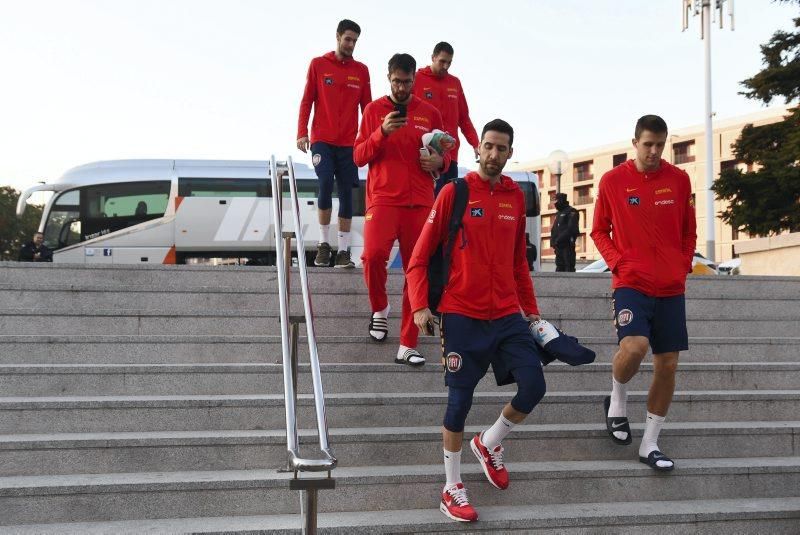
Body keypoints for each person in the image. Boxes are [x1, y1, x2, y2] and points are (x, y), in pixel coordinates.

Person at [407, 119, 546, 522]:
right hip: (462, 314)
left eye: (502, 148)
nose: (494, 154)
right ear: (477, 149)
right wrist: (420, 305)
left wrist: (530, 309)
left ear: (509, 152)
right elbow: (419, 256)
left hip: (506, 314)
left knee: (534, 385)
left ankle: (488, 443)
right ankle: (452, 487)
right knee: (458, 403)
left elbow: (520, 261)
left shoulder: (515, 199)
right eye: (488, 146)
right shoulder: (455, 192)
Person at [590, 114, 696, 472]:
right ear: (634, 143)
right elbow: (599, 231)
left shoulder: (679, 180)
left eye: (659, 145)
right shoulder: (612, 181)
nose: (653, 151)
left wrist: (682, 264)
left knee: (667, 365)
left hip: (670, 285)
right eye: (647, 144)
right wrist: (619, 263)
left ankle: (650, 443)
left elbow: (688, 231)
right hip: (631, 281)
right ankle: (617, 400)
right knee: (634, 347)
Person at [353, 53, 448, 366]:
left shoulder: (430, 112)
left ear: (414, 80)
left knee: (416, 271)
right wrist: (381, 132)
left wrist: (439, 161)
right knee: (371, 256)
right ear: (389, 78)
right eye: (396, 81)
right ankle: (380, 308)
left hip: (421, 202)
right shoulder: (373, 110)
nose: (402, 87)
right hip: (382, 199)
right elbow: (358, 157)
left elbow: (445, 154)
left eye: (407, 82)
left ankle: (408, 343)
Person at [297, 19, 371, 268]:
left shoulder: (361, 71)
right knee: (325, 181)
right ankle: (323, 244)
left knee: (348, 194)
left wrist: (369, 141)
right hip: (321, 140)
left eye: (355, 41)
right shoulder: (319, 64)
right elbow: (307, 100)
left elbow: (368, 109)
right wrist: (301, 132)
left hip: (350, 143)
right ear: (338, 37)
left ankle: (343, 251)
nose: (351, 45)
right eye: (348, 39)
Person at [413, 41, 480, 195]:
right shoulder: (417, 79)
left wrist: (476, 143)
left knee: (448, 207)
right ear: (433, 57)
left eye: (449, 63)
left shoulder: (455, 83)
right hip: (425, 155)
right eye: (442, 61)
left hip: (451, 157)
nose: (445, 66)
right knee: (429, 206)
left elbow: (464, 118)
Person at [551, 192, 579, 272]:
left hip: (567, 245)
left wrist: (559, 239)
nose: (555, 204)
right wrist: (553, 242)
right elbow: (555, 229)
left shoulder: (571, 211)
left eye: (556, 201)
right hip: (558, 246)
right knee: (559, 266)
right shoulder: (559, 213)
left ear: (561, 200)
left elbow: (571, 229)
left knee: (568, 266)